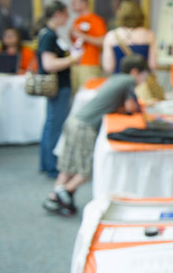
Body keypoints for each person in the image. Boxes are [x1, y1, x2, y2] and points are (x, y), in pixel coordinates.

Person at [42, 54, 149, 216]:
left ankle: (53, 197)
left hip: (74, 121)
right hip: (86, 127)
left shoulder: (115, 78)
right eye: (144, 75)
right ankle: (64, 192)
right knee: (86, 169)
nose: (144, 79)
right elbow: (130, 107)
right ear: (135, 72)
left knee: (68, 166)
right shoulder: (129, 81)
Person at [36, 0, 81, 178]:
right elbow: (48, 64)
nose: (68, 17)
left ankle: (46, 163)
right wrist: (72, 59)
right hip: (58, 86)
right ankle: (52, 166)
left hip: (58, 86)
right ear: (57, 14)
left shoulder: (50, 33)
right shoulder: (49, 35)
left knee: (51, 124)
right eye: (66, 14)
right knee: (54, 126)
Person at [101, 0, 157, 74]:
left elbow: (108, 67)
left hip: (120, 79)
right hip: (141, 79)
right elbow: (153, 65)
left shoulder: (111, 36)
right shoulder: (149, 35)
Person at [69, 0, 107, 92]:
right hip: (75, 63)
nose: (72, 4)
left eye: (75, 2)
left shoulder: (96, 20)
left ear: (84, 3)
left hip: (90, 63)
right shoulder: (77, 20)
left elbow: (103, 41)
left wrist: (84, 37)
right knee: (75, 94)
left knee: (87, 93)